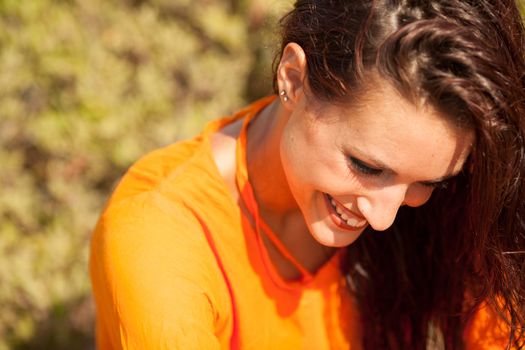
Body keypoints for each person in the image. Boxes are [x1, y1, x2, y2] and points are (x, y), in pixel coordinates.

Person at [89, 0, 525, 348]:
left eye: (428, 183)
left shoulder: (457, 200)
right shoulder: (157, 240)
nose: (384, 218)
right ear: (294, 79)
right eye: (367, 167)